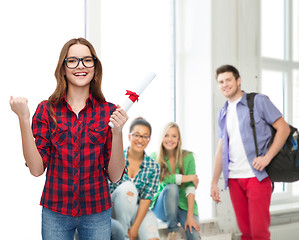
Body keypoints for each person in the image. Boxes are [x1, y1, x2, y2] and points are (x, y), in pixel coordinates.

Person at [9, 38, 128, 240]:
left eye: (87, 60)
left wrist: (117, 132)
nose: (80, 66)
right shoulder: (46, 110)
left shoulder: (109, 111)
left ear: (95, 68)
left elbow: (115, 176)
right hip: (55, 211)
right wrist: (23, 118)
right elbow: (36, 169)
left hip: (97, 211)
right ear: (63, 68)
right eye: (72, 60)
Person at [210, 64, 290, 240]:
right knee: (246, 233)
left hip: (257, 177)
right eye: (221, 82)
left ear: (238, 81)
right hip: (234, 179)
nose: (225, 85)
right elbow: (221, 148)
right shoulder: (223, 112)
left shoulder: (258, 101)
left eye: (228, 80)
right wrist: (214, 181)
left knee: (259, 234)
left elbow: (283, 129)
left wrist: (267, 158)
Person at [109, 117, 160, 240]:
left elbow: (146, 199)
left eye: (144, 136)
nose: (140, 140)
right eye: (136, 135)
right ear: (129, 136)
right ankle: (124, 236)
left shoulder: (153, 167)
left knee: (152, 236)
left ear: (149, 140)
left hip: (137, 210)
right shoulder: (116, 157)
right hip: (112, 207)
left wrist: (135, 227)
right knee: (128, 188)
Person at [151, 122, 201, 240]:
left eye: (174, 136)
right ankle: (173, 231)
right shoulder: (154, 157)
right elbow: (163, 178)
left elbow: (190, 187)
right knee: (171, 187)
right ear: (161, 138)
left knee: (194, 235)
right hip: (162, 206)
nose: (170, 139)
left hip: (183, 206)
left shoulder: (188, 157)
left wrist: (190, 216)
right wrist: (189, 177)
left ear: (179, 139)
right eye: (166, 135)